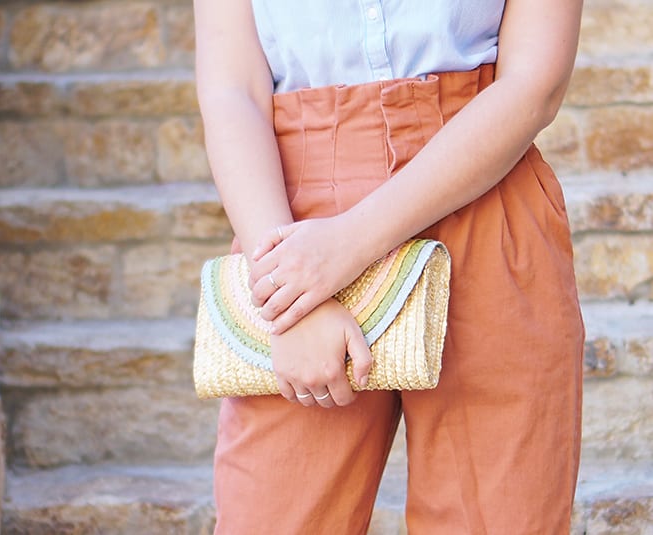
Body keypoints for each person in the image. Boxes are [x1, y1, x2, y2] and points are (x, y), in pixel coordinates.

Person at [193, 1, 585, 533]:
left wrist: (344, 248)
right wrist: (286, 289)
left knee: (500, 517)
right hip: (292, 222)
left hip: (483, 194)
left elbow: (534, 84)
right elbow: (230, 92)